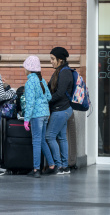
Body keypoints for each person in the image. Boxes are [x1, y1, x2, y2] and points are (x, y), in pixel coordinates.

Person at [22, 56, 56, 178]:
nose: (24, 70)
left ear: (29, 69)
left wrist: (26, 119)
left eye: (25, 67)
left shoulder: (30, 82)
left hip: (36, 116)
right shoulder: (41, 80)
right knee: (41, 141)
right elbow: (49, 98)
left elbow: (30, 103)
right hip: (45, 114)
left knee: (36, 141)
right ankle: (51, 164)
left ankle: (36, 169)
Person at [45, 47, 73, 175]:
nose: (51, 61)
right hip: (63, 109)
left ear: (60, 59)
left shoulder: (65, 72)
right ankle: (64, 166)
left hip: (61, 109)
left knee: (49, 136)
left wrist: (46, 101)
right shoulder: (59, 71)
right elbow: (51, 87)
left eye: (52, 59)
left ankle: (59, 166)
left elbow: (60, 93)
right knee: (61, 138)